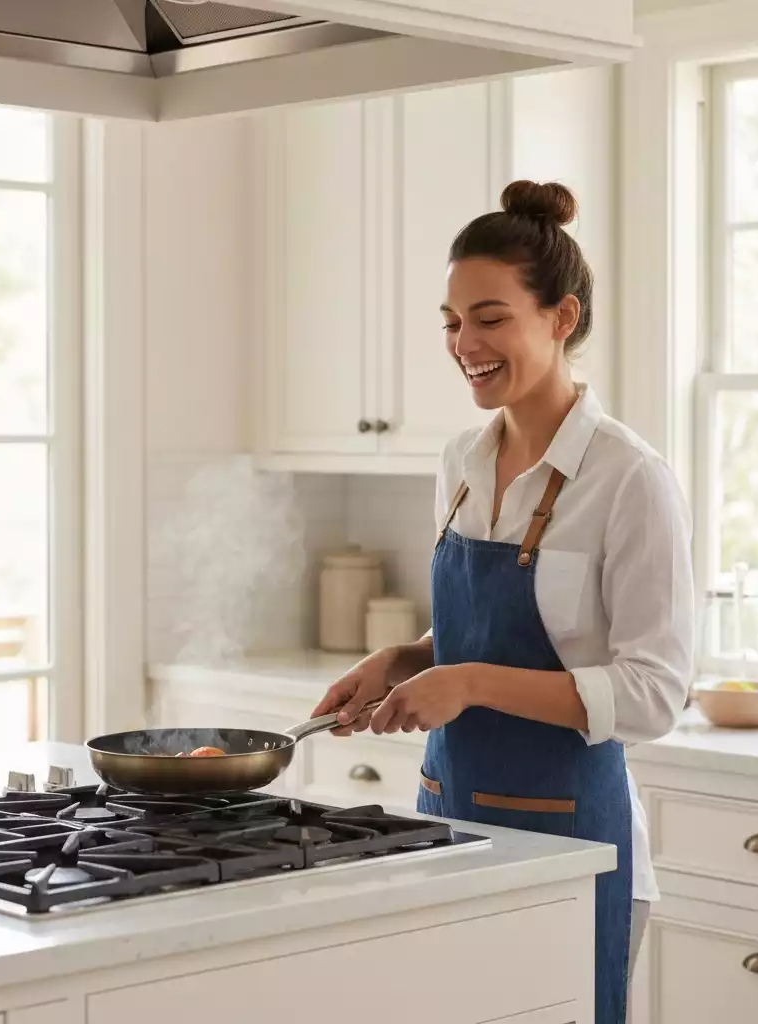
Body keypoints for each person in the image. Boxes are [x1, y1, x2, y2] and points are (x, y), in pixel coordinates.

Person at [311, 180, 694, 1024]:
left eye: (490, 318)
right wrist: (409, 659)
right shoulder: (458, 460)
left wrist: (472, 682)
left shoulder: (630, 479)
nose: (464, 344)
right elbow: (477, 627)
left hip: (575, 847)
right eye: (451, 322)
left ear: (561, 318)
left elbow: (653, 693)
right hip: (449, 823)